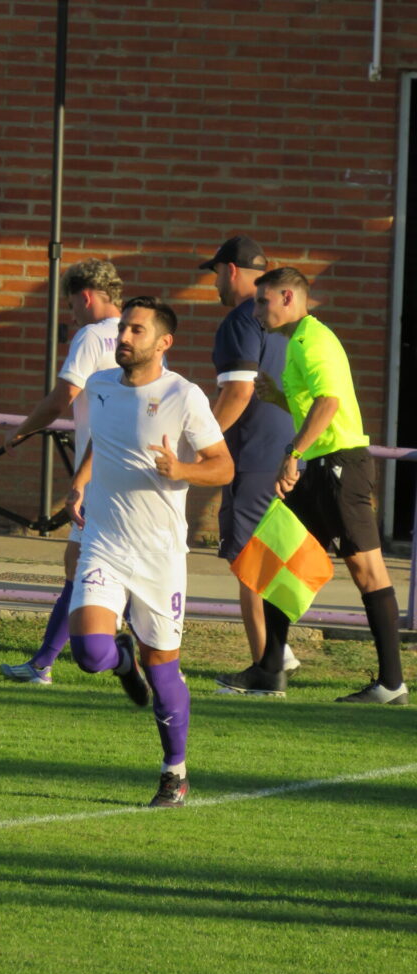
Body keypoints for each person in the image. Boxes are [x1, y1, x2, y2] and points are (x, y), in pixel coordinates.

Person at [66, 296, 234, 806]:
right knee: (89, 653)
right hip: (105, 542)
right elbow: (104, 442)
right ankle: (120, 659)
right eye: (122, 329)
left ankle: (174, 774)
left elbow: (223, 466)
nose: (123, 338)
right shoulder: (99, 387)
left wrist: (182, 470)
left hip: (160, 555)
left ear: (164, 342)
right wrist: (80, 483)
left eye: (136, 331)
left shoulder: (185, 395)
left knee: (164, 670)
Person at [221, 266, 408, 704]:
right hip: (323, 467)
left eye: (262, 301)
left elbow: (329, 403)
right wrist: (278, 398)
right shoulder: (296, 342)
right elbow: (314, 403)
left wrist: (293, 455)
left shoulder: (311, 340)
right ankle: (270, 669)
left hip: (340, 467)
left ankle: (392, 684)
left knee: (367, 571)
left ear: (289, 298)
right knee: (275, 554)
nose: (257, 310)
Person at [0, 259, 122, 685]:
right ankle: (44, 662)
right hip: (125, 466)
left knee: (78, 567)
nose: (71, 314)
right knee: (87, 564)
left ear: (86, 297)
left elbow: (61, 399)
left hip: (100, 472)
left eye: (72, 304)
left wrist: (21, 430)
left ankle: (54, 663)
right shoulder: (137, 334)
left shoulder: (90, 335)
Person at [197, 235, 300, 690]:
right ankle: (281, 653)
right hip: (292, 453)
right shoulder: (290, 321)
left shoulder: (241, 319)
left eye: (216, 272)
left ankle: (266, 670)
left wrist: (203, 444)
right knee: (274, 561)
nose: (216, 283)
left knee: (250, 565)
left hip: (256, 454)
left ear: (231, 271)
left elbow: (238, 391)